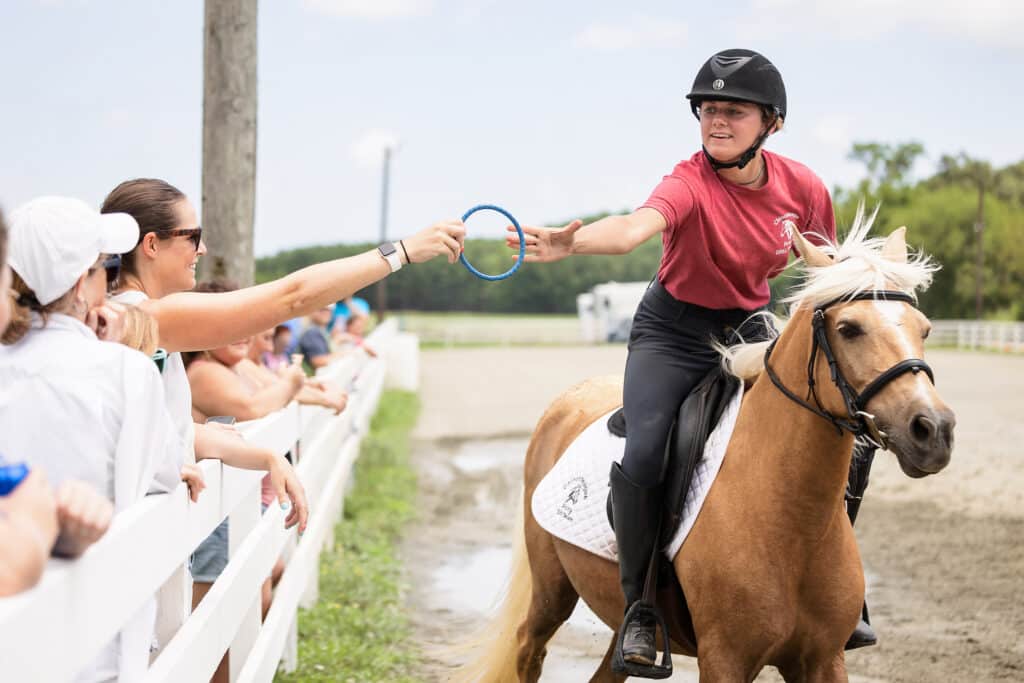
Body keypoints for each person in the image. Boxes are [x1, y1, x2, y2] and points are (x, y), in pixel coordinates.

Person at [505, 49, 871, 674]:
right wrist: (574, 242)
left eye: (733, 111)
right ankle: (641, 607)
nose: (716, 122)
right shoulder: (688, 181)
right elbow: (629, 230)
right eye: (707, 110)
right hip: (673, 333)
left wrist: (835, 264)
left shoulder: (804, 187)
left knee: (850, 433)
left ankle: (834, 592)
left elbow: (828, 268)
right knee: (647, 448)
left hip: (752, 328)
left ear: (771, 123)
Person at [0, 196, 203, 680]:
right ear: (80, 284)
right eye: (102, 269)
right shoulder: (125, 371)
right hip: (97, 632)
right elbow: (161, 469)